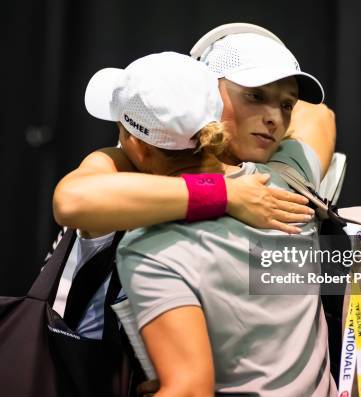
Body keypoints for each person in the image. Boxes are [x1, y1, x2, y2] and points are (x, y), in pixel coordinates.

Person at [50, 24, 336, 341]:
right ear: (206, 91)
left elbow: (318, 113)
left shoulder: (280, 179)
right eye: (255, 96)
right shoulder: (127, 169)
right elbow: (72, 201)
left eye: (286, 104)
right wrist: (225, 193)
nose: (275, 118)